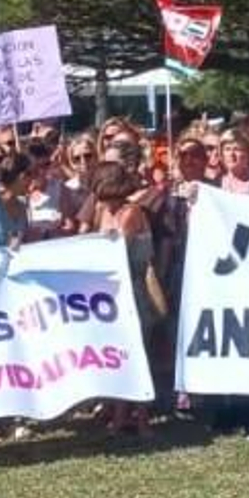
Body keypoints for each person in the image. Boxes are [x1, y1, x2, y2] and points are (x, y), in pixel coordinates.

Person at [88, 162, 159, 435]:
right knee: (119, 356)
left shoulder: (131, 212)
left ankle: (139, 420)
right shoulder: (103, 211)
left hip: (135, 291)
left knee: (136, 355)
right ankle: (120, 415)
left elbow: (117, 252)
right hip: (112, 294)